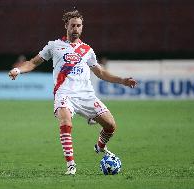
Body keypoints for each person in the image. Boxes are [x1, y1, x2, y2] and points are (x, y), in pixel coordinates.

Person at [8, 10, 137, 175]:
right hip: (64, 94)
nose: (76, 29)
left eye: (78, 26)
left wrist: (122, 81)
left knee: (111, 125)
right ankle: (71, 165)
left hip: (86, 95)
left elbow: (101, 73)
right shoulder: (54, 46)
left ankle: (100, 146)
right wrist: (18, 70)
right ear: (66, 26)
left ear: (82, 27)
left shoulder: (87, 50)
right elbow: (33, 62)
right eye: (72, 26)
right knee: (66, 123)